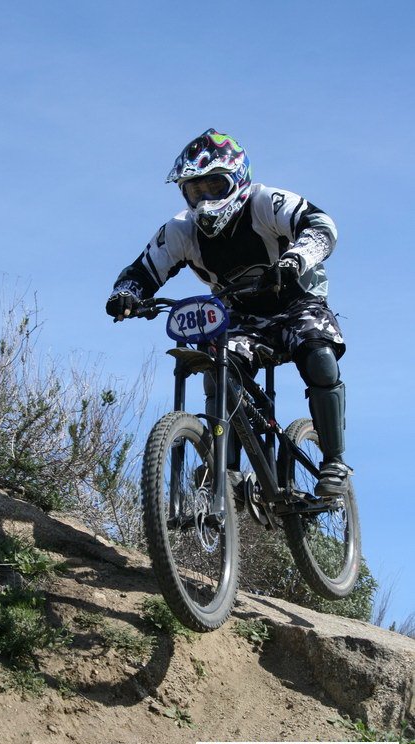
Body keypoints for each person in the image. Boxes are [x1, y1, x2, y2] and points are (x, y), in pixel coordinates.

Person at [105, 128, 351, 496]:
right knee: (217, 369)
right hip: (241, 318)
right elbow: (143, 269)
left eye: (215, 186)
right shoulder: (181, 230)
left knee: (319, 355)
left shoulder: (267, 202)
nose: (205, 200)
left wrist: (294, 260)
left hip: (298, 303)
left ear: (239, 179)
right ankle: (226, 469)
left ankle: (334, 460)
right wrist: (126, 294)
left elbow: (321, 226)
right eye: (195, 191)